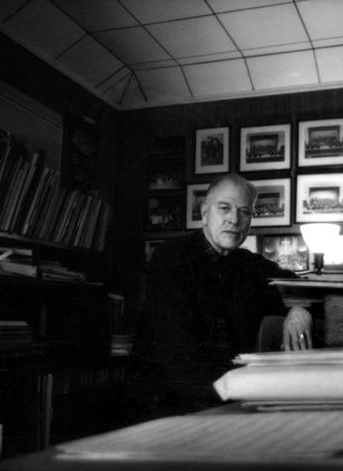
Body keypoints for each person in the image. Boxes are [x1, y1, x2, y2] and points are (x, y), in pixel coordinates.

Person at [134, 173, 313, 414]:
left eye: (244, 212)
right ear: (205, 212)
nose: (234, 219)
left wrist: (300, 307)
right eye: (224, 208)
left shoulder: (251, 265)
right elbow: (174, 349)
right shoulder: (171, 257)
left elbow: (301, 288)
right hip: (172, 400)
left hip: (231, 397)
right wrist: (219, 399)